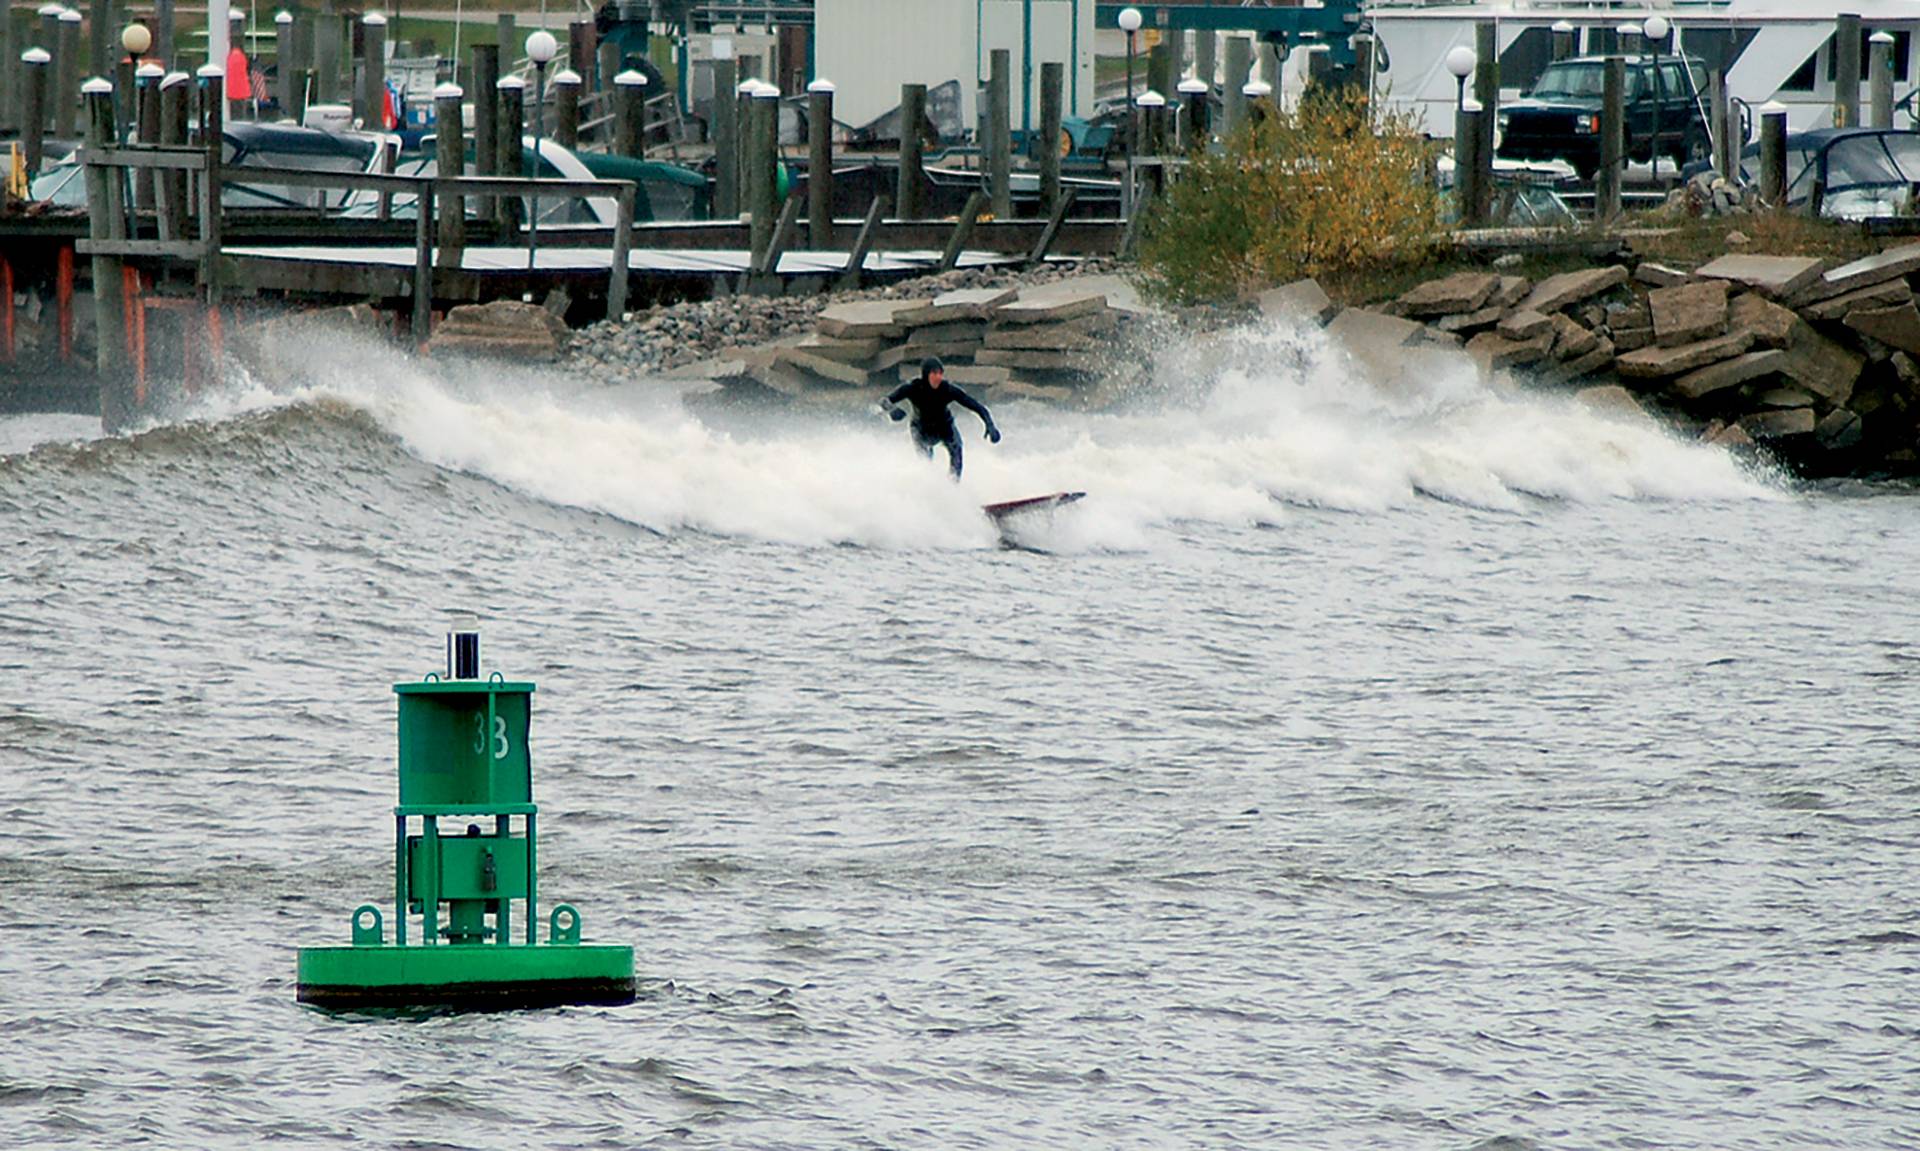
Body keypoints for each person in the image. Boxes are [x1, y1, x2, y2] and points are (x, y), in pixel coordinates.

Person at [882, 357, 1000, 480]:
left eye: (940, 373)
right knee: (925, 462)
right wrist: (892, 409)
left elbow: (978, 407)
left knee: (957, 450)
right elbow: (884, 401)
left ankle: (953, 485)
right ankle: (929, 486)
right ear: (926, 374)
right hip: (921, 429)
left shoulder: (947, 389)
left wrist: (990, 425)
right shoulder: (913, 388)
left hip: (944, 427)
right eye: (934, 373)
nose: (938, 377)